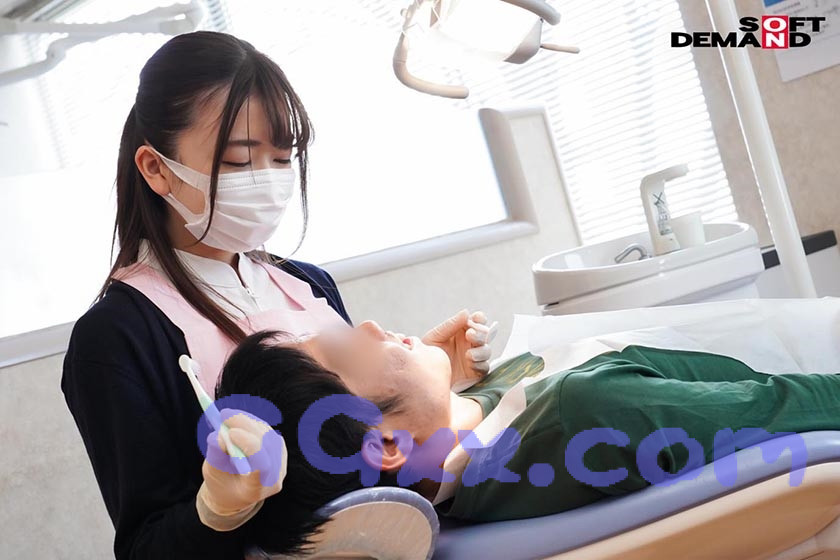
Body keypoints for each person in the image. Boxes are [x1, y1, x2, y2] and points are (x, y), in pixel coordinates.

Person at [60, 31, 495, 559]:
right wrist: (217, 510)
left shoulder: (308, 284)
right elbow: (145, 549)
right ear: (155, 168)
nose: (266, 181)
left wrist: (427, 391)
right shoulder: (118, 337)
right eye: (239, 161)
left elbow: (374, 461)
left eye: (283, 157)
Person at [215, 322, 840, 556]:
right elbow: (794, 406)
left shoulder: (463, 465)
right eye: (351, 348)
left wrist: (451, 384)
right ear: (383, 446)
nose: (374, 326)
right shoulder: (586, 413)